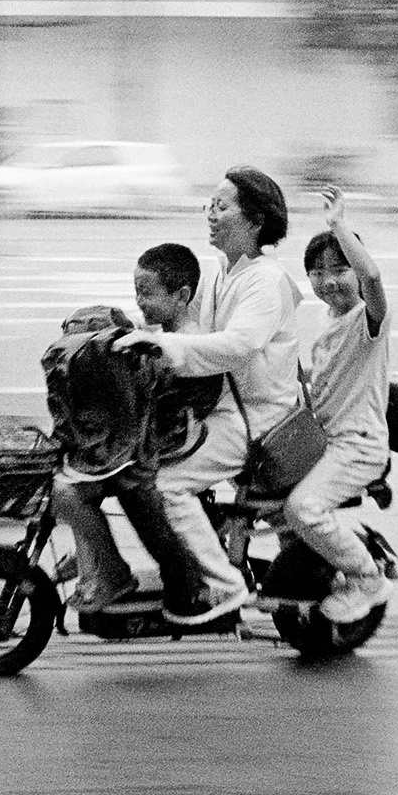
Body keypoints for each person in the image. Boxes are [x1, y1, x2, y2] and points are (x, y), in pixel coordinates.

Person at [113, 166, 304, 625]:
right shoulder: (222, 273)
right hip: (223, 410)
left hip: (258, 421)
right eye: (210, 205)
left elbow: (239, 345)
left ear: (255, 220)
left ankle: (224, 585)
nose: (211, 214)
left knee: (166, 486)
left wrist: (165, 346)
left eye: (222, 206)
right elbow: (179, 318)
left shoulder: (266, 281)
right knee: (139, 463)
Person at [52, 242, 210, 613]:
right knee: (71, 469)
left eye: (148, 293)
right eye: (137, 291)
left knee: (70, 490)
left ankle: (109, 570)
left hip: (168, 442)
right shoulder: (161, 331)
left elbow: (176, 398)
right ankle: (96, 554)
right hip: (145, 435)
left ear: (181, 295)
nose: (140, 301)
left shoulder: (189, 342)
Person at [294, 185, 394, 623]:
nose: (328, 280)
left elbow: (372, 279)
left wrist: (338, 224)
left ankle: (366, 577)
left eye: (339, 269)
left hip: (358, 445)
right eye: (317, 272)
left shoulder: (369, 319)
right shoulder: (321, 318)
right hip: (323, 441)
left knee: (303, 509)